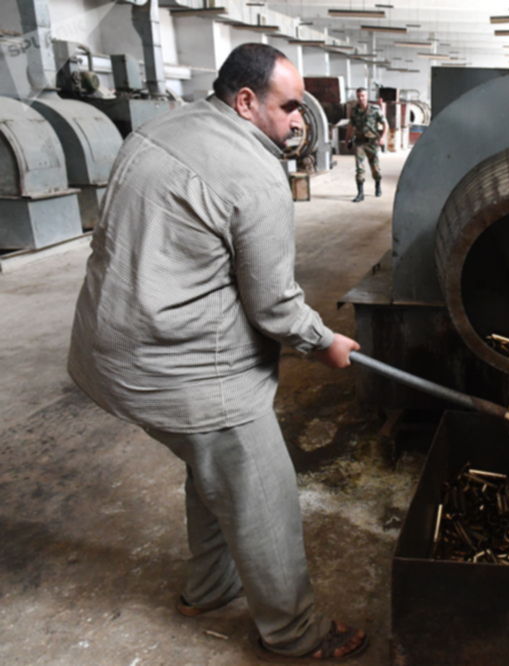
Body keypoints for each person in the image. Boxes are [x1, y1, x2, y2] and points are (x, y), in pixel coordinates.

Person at [67, 43, 367, 662]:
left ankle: (209, 589)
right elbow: (274, 306)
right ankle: (294, 633)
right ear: (246, 100)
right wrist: (326, 342)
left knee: (212, 472)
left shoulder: (161, 126)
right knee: (264, 497)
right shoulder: (254, 176)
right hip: (183, 369)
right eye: (288, 108)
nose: (298, 122)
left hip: (110, 351)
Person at [346, 87, 386, 202]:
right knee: (359, 168)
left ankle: (377, 184)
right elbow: (350, 126)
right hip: (359, 142)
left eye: (363, 96)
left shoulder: (375, 109)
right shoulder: (354, 110)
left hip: (372, 142)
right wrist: (347, 139)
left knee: (375, 168)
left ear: (367, 96)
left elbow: (385, 124)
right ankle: (360, 193)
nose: (361, 98)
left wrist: (382, 137)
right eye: (359, 96)